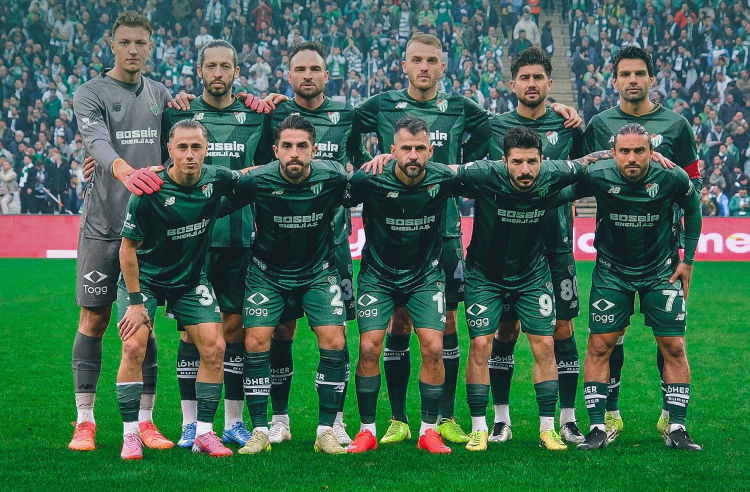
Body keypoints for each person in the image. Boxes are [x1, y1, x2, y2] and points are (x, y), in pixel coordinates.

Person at [353, 32, 581, 445]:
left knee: (447, 322)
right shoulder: (382, 105)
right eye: (416, 60)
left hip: (445, 230)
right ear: (404, 65)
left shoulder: (463, 108)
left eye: (431, 60)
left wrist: (555, 111)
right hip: (396, 229)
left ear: (443, 66)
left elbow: (498, 136)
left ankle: (445, 418)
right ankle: (398, 419)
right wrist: (371, 163)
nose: (424, 67)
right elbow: (344, 126)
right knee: (398, 321)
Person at [458, 126, 611, 452]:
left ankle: (548, 428)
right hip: (485, 275)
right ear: (504, 161)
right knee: (481, 344)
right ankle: (480, 427)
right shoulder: (485, 173)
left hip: (532, 274)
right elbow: (444, 172)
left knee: (545, 345)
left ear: (543, 160)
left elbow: (588, 163)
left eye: (532, 162)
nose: (525, 169)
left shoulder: (554, 172)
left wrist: (640, 156)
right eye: (517, 162)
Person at [582, 46, 702, 443]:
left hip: (661, 255)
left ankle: (671, 417)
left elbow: (692, 186)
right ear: (614, 80)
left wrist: (685, 253)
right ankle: (608, 416)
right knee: (608, 339)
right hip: (613, 256)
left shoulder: (676, 124)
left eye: (639, 73)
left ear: (651, 78)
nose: (632, 80)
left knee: (669, 340)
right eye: (625, 74)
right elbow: (585, 173)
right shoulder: (599, 124)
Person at [559, 123, 703, 452]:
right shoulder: (598, 175)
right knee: (599, 345)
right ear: (613, 153)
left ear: (652, 152)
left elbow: (694, 209)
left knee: (674, 346)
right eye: (624, 151)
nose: (632, 158)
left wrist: (689, 260)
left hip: (661, 272)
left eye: (640, 150)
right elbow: (559, 193)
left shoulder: (671, 176)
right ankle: (598, 428)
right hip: (612, 272)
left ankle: (677, 427)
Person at [468, 47, 586, 445]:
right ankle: (501, 419)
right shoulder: (493, 127)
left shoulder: (568, 125)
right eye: (525, 78)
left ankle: (566, 419)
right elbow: (469, 171)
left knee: (562, 329)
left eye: (538, 78)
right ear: (512, 84)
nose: (531, 84)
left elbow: (586, 172)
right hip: (507, 246)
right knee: (505, 329)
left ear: (550, 83)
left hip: (556, 243)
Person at [69, 11, 174, 452]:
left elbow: (181, 144)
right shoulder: (90, 93)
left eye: (140, 43)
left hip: (147, 230)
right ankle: (85, 421)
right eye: (125, 42)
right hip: (103, 223)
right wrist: (123, 170)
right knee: (94, 318)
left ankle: (146, 422)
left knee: (143, 323)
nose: (133, 50)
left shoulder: (161, 94)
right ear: (112, 45)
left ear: (150, 47)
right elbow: (96, 142)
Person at [221, 114, 351, 455]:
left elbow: (366, 189)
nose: (295, 153)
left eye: (302, 146)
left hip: (318, 272)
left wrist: (380, 162)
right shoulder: (258, 180)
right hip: (267, 274)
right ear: (276, 150)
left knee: (335, 338)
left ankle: (326, 430)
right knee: (255, 340)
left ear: (314, 150)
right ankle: (260, 430)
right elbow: (216, 200)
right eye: (288, 146)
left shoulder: (333, 176)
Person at [263, 41, 372, 446]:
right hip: (281, 242)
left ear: (327, 75)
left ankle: (336, 420)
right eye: (300, 69)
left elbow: (359, 164)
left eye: (315, 69)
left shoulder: (347, 116)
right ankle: (279, 418)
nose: (307, 75)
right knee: (281, 331)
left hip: (332, 244)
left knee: (336, 332)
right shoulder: (272, 115)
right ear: (288, 75)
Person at [161, 39, 267, 450]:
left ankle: (233, 422)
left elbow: (269, 164)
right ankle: (190, 424)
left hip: (239, 240)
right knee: (192, 334)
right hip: (193, 243)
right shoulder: (179, 113)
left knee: (235, 329)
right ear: (199, 71)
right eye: (211, 66)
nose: (218, 73)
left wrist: (266, 101)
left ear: (237, 71)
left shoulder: (255, 115)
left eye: (226, 66)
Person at [117, 119, 242, 460]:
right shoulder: (148, 190)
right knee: (134, 346)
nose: (189, 154)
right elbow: (127, 250)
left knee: (215, 347)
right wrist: (135, 303)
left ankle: (204, 433)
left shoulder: (216, 179)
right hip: (145, 280)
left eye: (196, 147)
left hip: (190, 280)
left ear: (206, 150)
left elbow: (248, 177)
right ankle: (131, 434)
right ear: (169, 150)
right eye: (182, 147)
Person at [344, 116, 461, 455]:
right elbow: (340, 195)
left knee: (434, 348)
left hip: (425, 276)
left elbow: (488, 174)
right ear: (392, 150)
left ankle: (428, 431)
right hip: (377, 276)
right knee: (369, 347)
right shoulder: (371, 178)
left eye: (419, 148)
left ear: (431, 151)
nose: (413, 155)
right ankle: (367, 430)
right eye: (405, 148)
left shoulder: (443, 178)